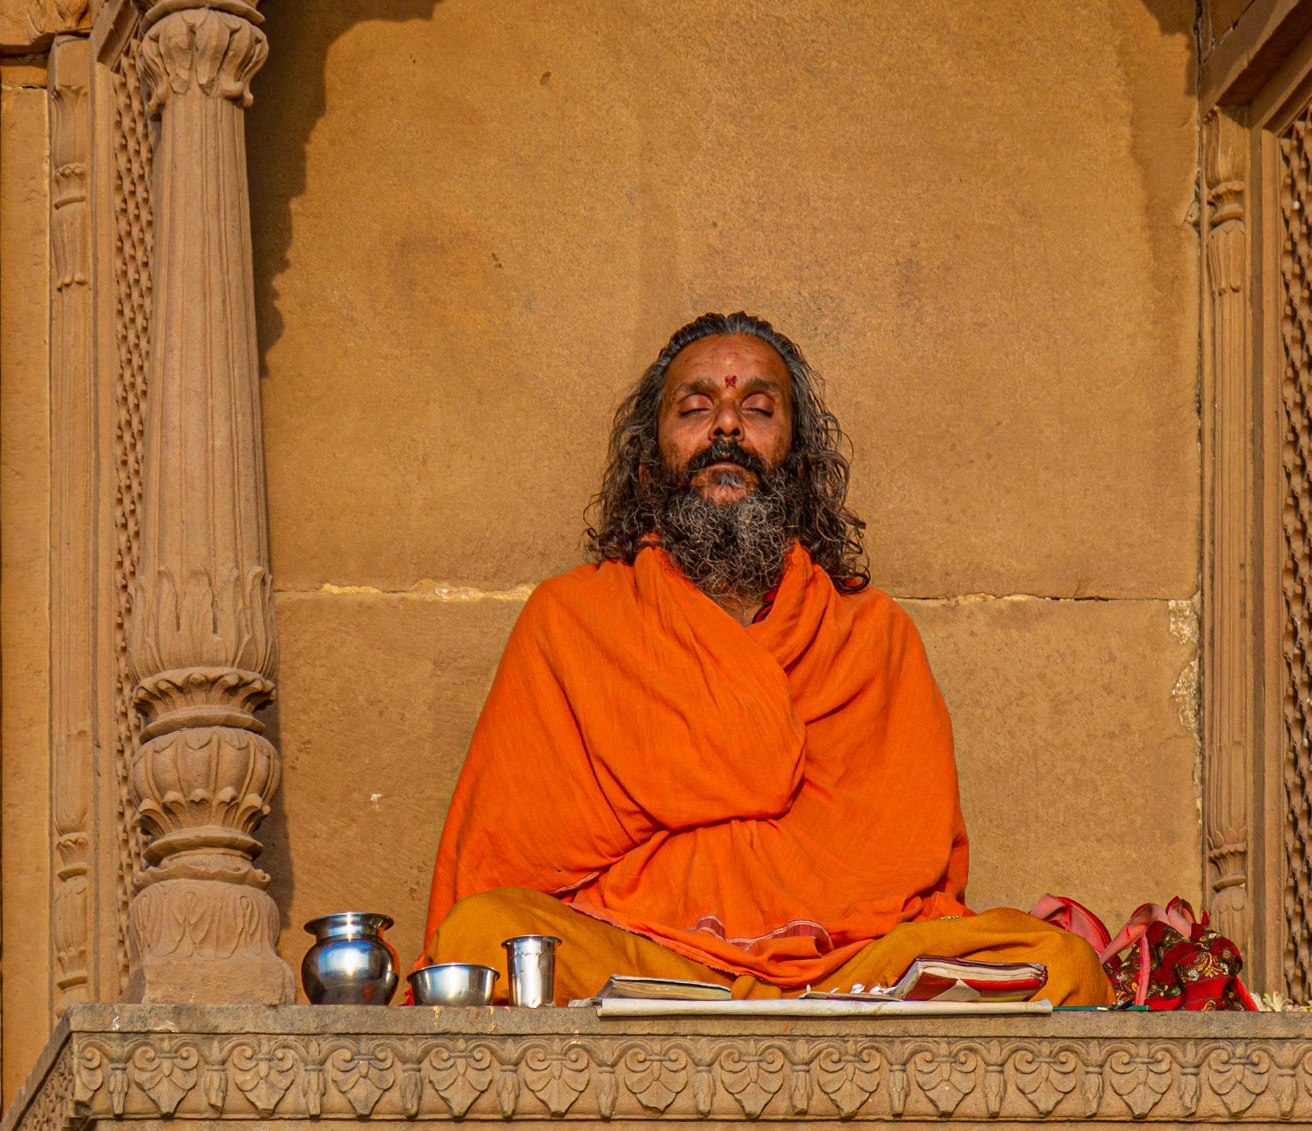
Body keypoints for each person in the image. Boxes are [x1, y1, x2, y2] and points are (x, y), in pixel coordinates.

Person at [418, 311, 1110, 1006]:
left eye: (756, 408)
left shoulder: (870, 634)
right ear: (647, 460)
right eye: (695, 408)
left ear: (799, 460)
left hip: (842, 963)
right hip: (637, 953)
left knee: (1064, 964)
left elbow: (906, 866)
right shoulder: (573, 622)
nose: (726, 428)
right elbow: (511, 856)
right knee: (481, 934)